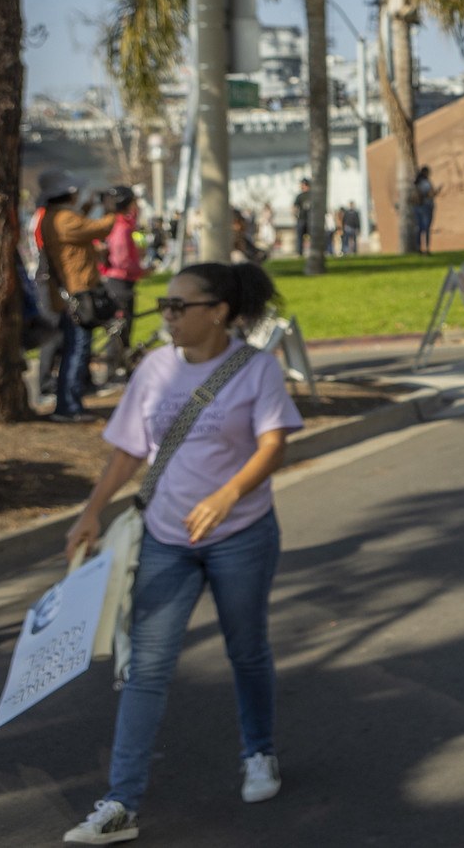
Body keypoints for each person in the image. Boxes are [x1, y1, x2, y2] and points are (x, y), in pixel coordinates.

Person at [61, 261, 303, 844]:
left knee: (246, 650)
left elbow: (273, 446)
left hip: (240, 534)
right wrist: (91, 511)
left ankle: (259, 752)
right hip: (167, 540)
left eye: (177, 306)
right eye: (164, 305)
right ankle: (120, 801)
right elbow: (126, 452)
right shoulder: (153, 369)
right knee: (145, 669)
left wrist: (228, 494)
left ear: (217, 311)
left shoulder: (255, 369)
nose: (165, 315)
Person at [35, 168, 115, 423]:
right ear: (68, 194)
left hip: (71, 293)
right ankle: (68, 407)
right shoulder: (63, 219)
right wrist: (113, 209)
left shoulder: (56, 216)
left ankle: (70, 404)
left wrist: (91, 205)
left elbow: (81, 223)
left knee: (75, 349)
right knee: (77, 351)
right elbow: (99, 229)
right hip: (77, 294)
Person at [98, 185, 145, 386]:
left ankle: (120, 368)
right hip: (120, 282)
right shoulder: (121, 227)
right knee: (119, 330)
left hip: (118, 281)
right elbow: (122, 260)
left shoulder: (117, 223)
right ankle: (115, 370)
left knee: (121, 329)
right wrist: (143, 270)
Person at [413, 166, 438, 254]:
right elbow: (431, 194)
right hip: (426, 207)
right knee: (426, 228)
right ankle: (427, 248)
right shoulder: (426, 183)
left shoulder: (417, 183)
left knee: (419, 228)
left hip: (417, 207)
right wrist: (436, 192)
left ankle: (418, 247)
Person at [291, 179, 313, 258]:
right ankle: (304, 252)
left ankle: (300, 253)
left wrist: (295, 216)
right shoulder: (312, 195)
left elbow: (294, 208)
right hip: (307, 219)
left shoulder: (301, 196)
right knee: (309, 237)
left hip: (304, 219)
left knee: (301, 237)